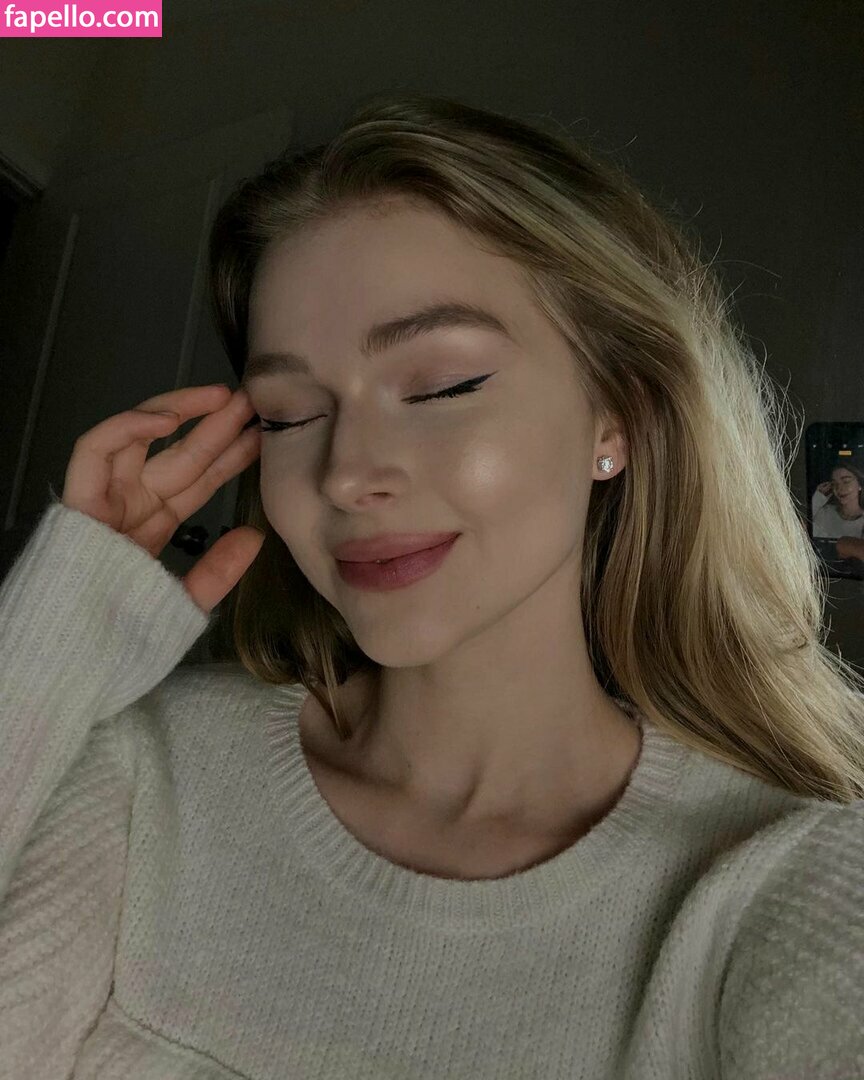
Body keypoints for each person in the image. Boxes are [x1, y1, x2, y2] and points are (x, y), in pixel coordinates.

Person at [0, 93, 862, 1079]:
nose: (345, 474)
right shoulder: (149, 771)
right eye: (287, 415)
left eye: (444, 386)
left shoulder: (782, 885)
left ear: (615, 419)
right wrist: (48, 648)